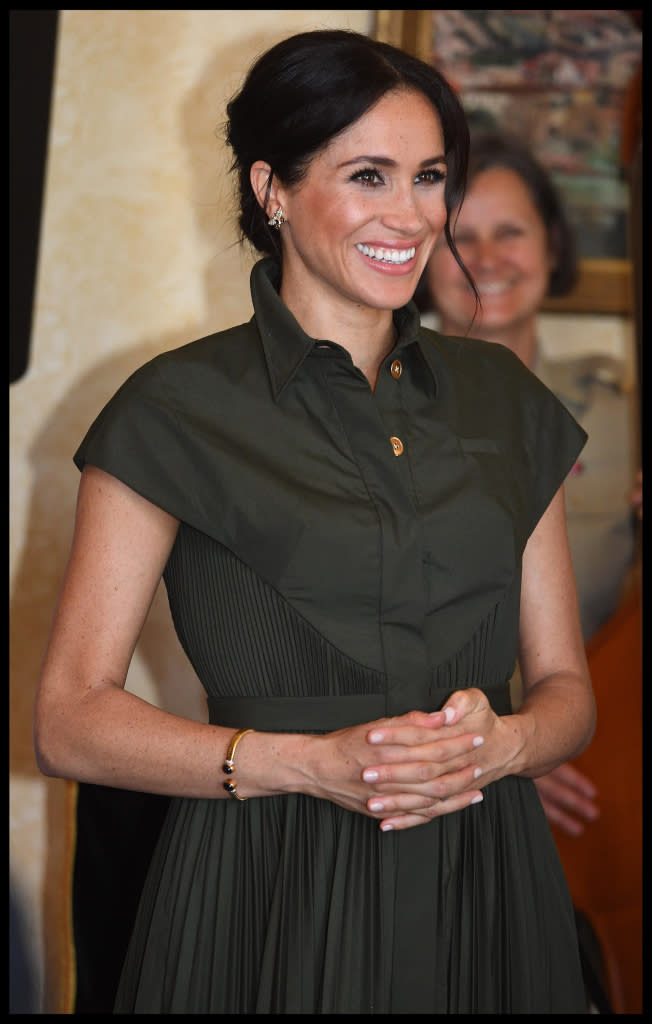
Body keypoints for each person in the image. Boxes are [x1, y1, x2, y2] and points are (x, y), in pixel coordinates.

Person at [34, 30, 596, 1014]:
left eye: (428, 177)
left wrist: (498, 745)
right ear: (272, 189)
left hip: (486, 877)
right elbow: (69, 718)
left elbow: (562, 690)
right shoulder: (172, 409)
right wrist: (308, 764)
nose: (411, 214)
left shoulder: (505, 399)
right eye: (367, 175)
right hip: (265, 875)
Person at [415, 130, 639, 841]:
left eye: (509, 232)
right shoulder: (366, 411)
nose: (485, 259)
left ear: (551, 246)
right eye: (461, 237)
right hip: (427, 778)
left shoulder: (621, 413)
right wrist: (497, 757)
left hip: (597, 779)